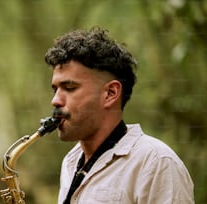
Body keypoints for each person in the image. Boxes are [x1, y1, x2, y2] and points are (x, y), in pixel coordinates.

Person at [44, 27, 194, 204]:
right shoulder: (70, 162)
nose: (55, 100)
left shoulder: (156, 163)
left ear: (110, 93)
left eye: (69, 88)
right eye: (55, 89)